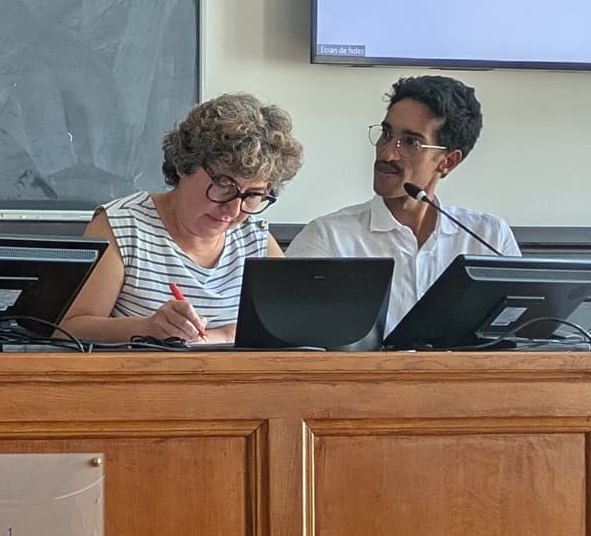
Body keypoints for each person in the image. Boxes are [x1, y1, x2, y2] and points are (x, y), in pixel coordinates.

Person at [61, 92, 302, 345]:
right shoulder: (123, 227)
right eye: (223, 185)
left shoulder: (255, 237)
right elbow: (68, 328)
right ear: (184, 165)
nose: (232, 210)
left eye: (253, 195)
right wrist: (146, 327)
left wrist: (218, 336)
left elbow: (289, 323)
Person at [286, 74, 516, 333]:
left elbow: (514, 341)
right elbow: (292, 347)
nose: (387, 153)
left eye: (410, 142)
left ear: (447, 161)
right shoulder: (329, 238)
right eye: (386, 133)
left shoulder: (489, 238)